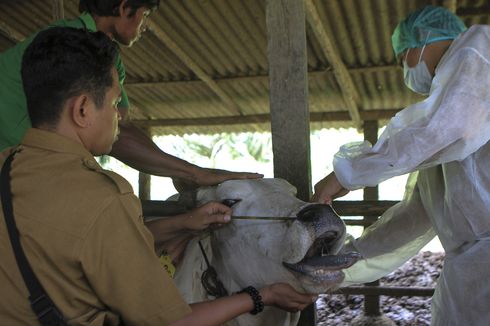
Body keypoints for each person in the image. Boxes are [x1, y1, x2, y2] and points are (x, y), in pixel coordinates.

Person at [0, 26, 315, 325]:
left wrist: (181, 224)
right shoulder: (104, 197)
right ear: (82, 109)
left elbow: (81, 247)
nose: (120, 114)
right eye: (113, 102)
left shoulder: (5, 166)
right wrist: (261, 295)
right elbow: (171, 321)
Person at [312, 5, 490, 325]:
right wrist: (340, 265)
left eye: (401, 56)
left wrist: (345, 175)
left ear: (421, 42)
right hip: (473, 272)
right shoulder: (438, 152)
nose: (403, 67)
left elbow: (451, 126)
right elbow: (410, 220)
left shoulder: (477, 49)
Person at [0, 0, 262, 192]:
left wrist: (180, 170)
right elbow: (116, 134)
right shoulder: (74, 48)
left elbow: (117, 127)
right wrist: (191, 172)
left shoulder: (82, 45)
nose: (145, 25)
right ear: (125, 8)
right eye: (145, 14)